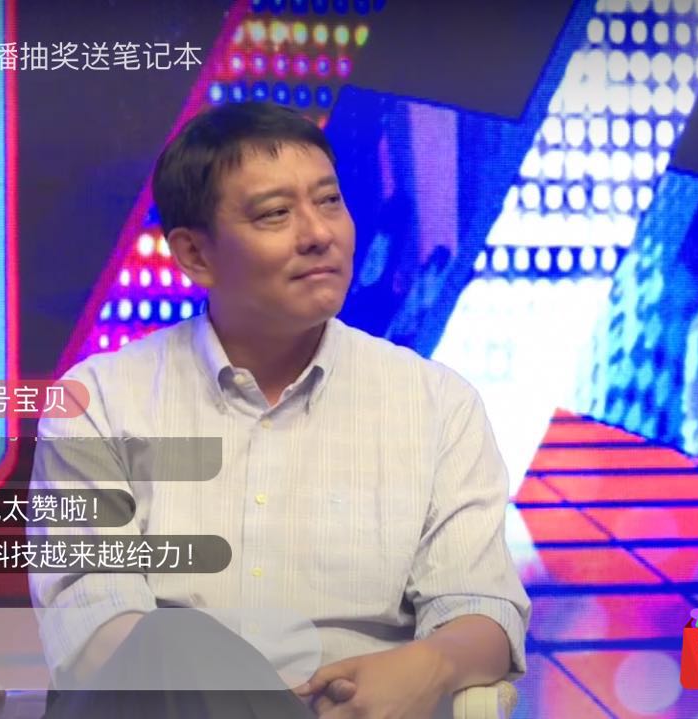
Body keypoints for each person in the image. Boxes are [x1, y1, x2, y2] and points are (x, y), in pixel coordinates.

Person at [29, 101, 530, 718]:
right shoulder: (100, 403)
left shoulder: (438, 405)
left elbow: (482, 608)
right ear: (194, 254)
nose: (318, 233)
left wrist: (429, 666)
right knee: (162, 647)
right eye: (275, 214)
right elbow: (91, 623)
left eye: (329, 202)